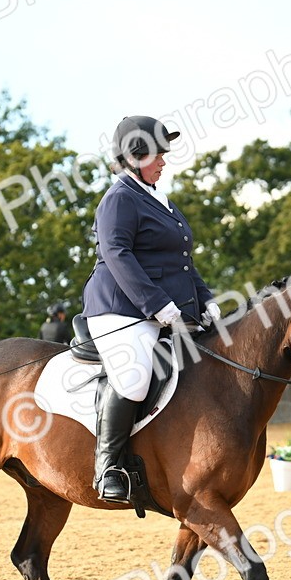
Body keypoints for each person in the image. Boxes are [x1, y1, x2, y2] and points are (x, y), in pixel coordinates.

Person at [82, 115, 222, 503]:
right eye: (157, 154)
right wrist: (157, 304)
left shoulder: (160, 200)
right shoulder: (119, 198)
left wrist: (205, 299)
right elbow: (117, 254)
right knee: (134, 376)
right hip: (120, 309)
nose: (163, 161)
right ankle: (107, 466)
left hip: (163, 310)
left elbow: (182, 262)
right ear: (134, 156)